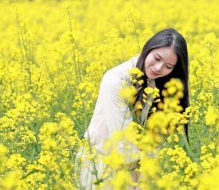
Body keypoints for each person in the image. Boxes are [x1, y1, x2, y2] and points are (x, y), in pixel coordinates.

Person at [76, 28, 189, 190]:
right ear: (148, 48)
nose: (158, 68)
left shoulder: (158, 82)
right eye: (157, 58)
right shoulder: (115, 81)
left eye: (168, 66)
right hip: (101, 167)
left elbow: (154, 138)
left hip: (136, 169)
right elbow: (123, 141)